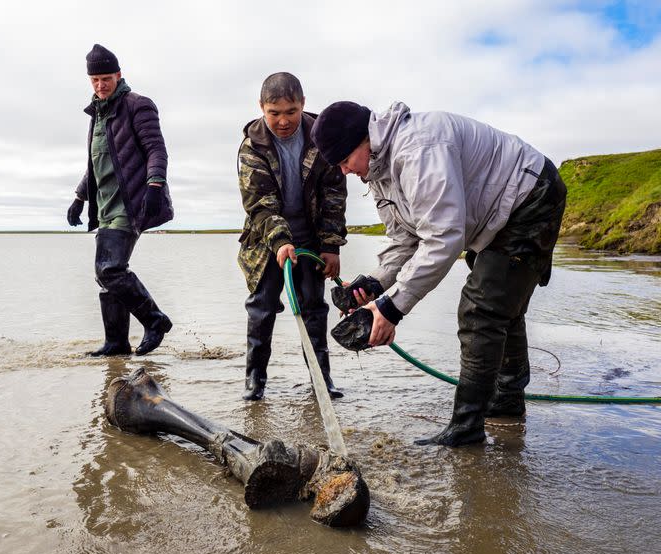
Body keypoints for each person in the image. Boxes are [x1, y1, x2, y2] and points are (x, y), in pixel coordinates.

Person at [311, 100, 566, 446]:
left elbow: (444, 238)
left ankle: (467, 428)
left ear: (363, 140)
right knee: (501, 305)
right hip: (497, 214)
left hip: (530, 196)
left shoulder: (418, 149)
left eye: (344, 161)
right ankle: (505, 401)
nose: (344, 171)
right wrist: (376, 283)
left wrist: (390, 308)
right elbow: (405, 238)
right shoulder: (378, 170)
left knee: (481, 309)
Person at [237, 73, 348, 401]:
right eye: (274, 112)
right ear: (261, 108)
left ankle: (321, 381)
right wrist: (280, 241)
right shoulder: (251, 146)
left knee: (314, 309)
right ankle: (254, 383)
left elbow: (334, 195)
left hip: (312, 241)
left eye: (291, 111)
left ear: (302, 105)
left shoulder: (322, 138)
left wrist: (330, 246)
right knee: (262, 308)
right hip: (266, 242)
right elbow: (259, 204)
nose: (283, 120)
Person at [67, 44, 174, 357]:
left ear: (118, 75)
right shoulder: (98, 115)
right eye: (95, 80)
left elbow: (156, 149)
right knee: (106, 277)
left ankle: (155, 320)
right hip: (104, 207)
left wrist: (155, 184)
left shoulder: (137, 105)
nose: (101, 85)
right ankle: (116, 344)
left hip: (131, 203)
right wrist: (79, 197)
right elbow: (97, 163)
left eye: (106, 78)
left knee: (111, 269)